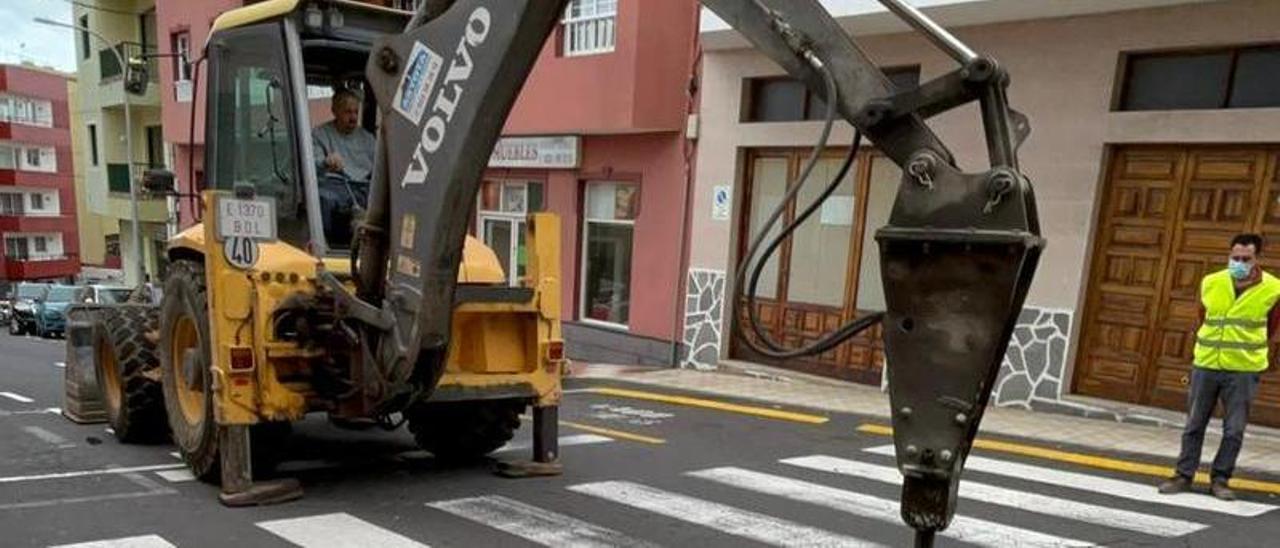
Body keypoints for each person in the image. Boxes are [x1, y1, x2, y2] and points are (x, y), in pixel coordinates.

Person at [1159, 233, 1280, 500]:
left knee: (1234, 429)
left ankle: (1221, 479)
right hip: (1206, 364)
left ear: (1257, 258)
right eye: (1234, 257)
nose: (1238, 263)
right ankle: (1183, 475)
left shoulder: (1274, 289)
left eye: (1245, 259)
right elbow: (1204, 318)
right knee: (1194, 423)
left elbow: (1272, 327)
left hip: (1243, 370)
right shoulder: (1211, 282)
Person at [311, 88, 375, 182]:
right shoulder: (319, 135)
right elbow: (313, 165)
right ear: (334, 111)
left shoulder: (368, 138)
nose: (353, 117)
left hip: (365, 189)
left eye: (356, 112)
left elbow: (380, 167)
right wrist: (326, 162)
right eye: (348, 112)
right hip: (334, 189)